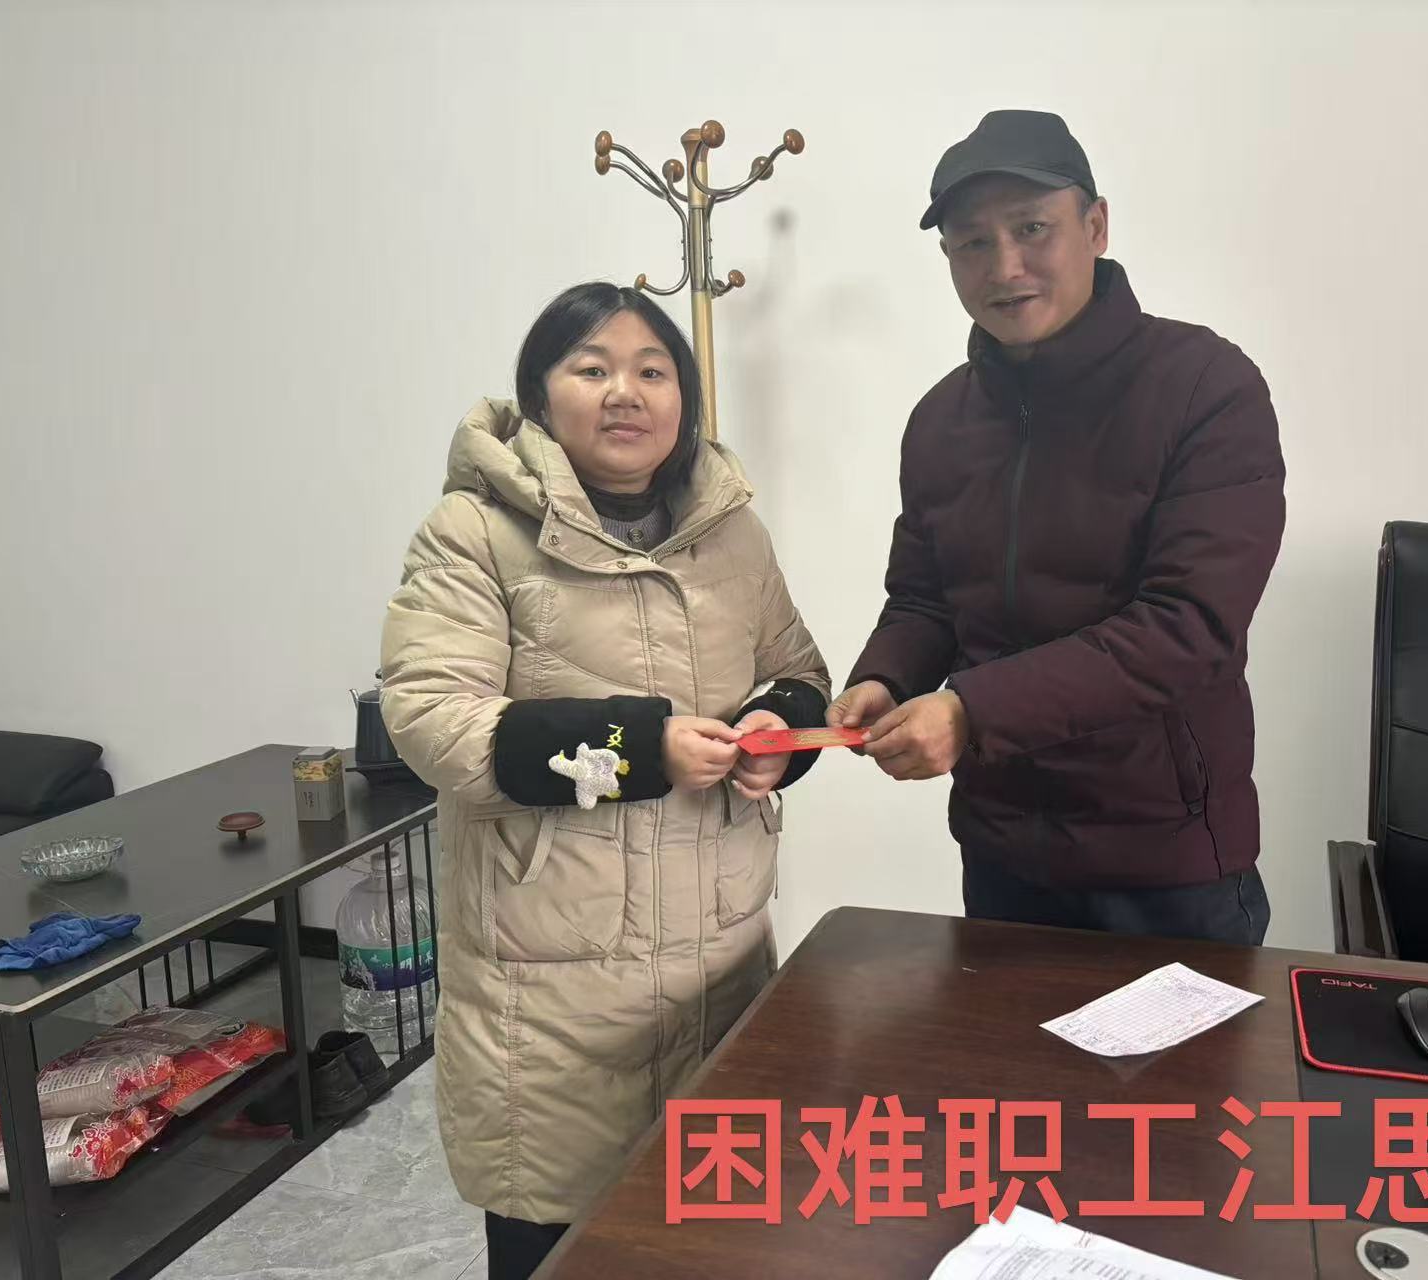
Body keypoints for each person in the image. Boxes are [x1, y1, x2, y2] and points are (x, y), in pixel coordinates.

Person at [380, 282, 828, 1280]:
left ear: (684, 400)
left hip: (720, 959)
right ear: (541, 395)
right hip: (548, 990)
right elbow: (433, 721)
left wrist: (776, 731)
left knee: (713, 1236)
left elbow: (798, 672)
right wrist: (640, 746)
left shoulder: (732, 533)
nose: (626, 391)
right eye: (592, 368)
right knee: (560, 1245)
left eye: (652, 371)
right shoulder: (472, 531)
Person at [831, 109, 1285, 945]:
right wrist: (886, 679)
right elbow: (925, 599)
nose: (1005, 267)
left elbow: (1187, 627)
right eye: (972, 243)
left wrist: (969, 712)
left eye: (1031, 229)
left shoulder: (1205, 387)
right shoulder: (940, 420)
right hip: (1001, 854)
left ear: (1096, 227)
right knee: (997, 1041)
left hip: (1168, 863)